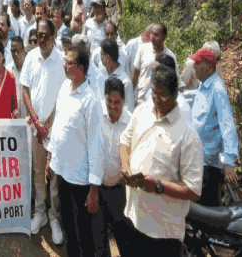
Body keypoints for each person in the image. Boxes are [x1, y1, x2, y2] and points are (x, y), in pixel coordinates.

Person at [119, 65, 204, 256]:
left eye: (161, 95)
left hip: (163, 232)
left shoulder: (187, 135)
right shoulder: (143, 111)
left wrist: (158, 186)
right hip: (133, 217)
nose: (155, 99)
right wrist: (125, 167)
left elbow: (194, 189)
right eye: (153, 92)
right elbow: (125, 140)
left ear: (174, 95)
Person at [45, 47, 105, 255]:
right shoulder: (64, 88)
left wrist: (94, 188)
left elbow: (96, 145)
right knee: (67, 225)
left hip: (80, 180)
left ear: (80, 68)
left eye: (68, 62)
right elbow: (58, 125)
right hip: (61, 171)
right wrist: (50, 156)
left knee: (84, 233)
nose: (64, 65)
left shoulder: (91, 101)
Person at [20, 19, 66, 241]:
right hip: (35, 128)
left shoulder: (62, 61)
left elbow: (65, 96)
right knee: (38, 173)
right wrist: (37, 122)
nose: (41, 39)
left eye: (46, 35)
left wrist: (48, 124)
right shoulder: (30, 57)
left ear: (54, 36)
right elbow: (25, 91)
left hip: (56, 130)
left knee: (54, 175)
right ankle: (40, 212)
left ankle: (54, 216)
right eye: (39, 35)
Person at [189, 48, 239, 207]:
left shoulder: (217, 89)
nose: (194, 67)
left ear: (209, 67)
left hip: (210, 165)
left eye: (198, 63)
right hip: (199, 162)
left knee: (208, 212)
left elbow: (227, 124)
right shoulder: (203, 87)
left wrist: (229, 161)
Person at [95, 78, 133, 257]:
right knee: (99, 239)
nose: (112, 107)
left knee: (124, 237)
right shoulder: (96, 115)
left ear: (124, 101)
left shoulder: (131, 123)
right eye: (109, 101)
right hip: (98, 189)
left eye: (117, 102)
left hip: (120, 192)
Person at [132, 23, 178, 106]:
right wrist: (130, 93)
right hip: (141, 101)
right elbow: (135, 74)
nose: (152, 37)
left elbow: (175, 81)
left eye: (156, 35)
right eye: (151, 34)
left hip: (160, 104)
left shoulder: (170, 56)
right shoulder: (143, 49)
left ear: (164, 37)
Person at [95, 39, 135, 113]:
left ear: (107, 57)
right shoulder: (100, 75)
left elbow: (129, 110)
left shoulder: (125, 81)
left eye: (101, 54)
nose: (100, 57)